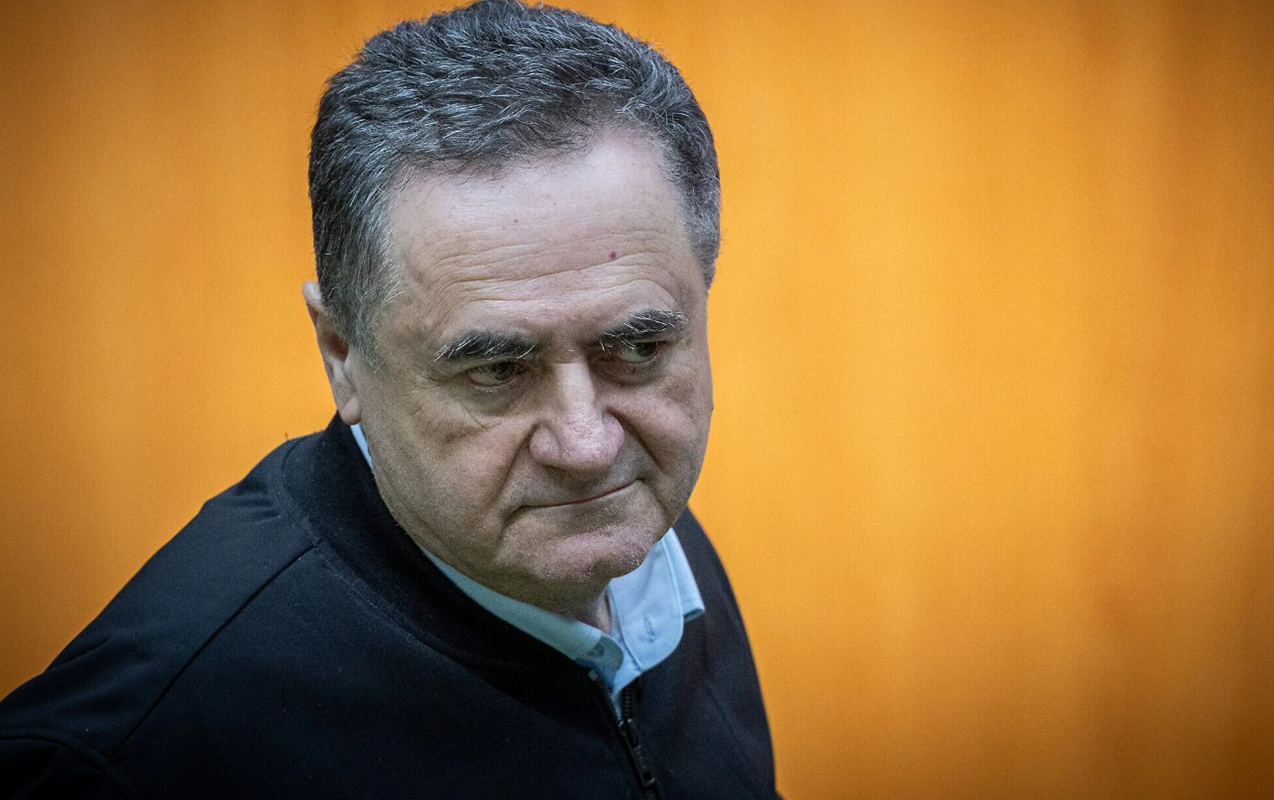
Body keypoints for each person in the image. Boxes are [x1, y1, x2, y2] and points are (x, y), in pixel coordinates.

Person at [0, 1, 777, 797]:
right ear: (342, 356)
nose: (587, 446)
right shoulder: (139, 747)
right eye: (495, 370)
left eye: (637, 350)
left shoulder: (639, 543)